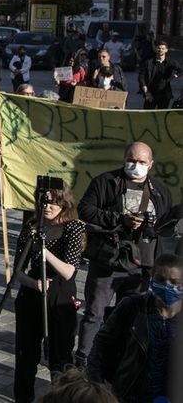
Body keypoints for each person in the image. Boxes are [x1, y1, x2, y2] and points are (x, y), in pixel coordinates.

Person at [75, 142, 174, 364]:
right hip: (108, 261)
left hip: (142, 266)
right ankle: (84, 360)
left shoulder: (159, 190)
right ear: (124, 159)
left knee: (130, 316)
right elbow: (85, 209)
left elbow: (166, 223)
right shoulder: (106, 182)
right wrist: (120, 220)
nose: (135, 165)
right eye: (131, 160)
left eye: (141, 162)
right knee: (94, 313)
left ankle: (118, 361)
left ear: (151, 164)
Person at [12, 182, 85, 403]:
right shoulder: (32, 226)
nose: (47, 206)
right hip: (32, 294)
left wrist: (44, 251)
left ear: (64, 203)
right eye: (44, 201)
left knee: (60, 356)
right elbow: (17, 271)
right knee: (26, 356)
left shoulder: (74, 227)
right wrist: (33, 284)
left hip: (60, 296)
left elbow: (68, 271)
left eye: (53, 201)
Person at [87, 252, 182, 402]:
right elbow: (101, 346)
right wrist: (97, 387)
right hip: (130, 396)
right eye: (161, 280)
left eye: (175, 282)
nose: (167, 286)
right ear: (151, 277)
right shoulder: (131, 307)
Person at [138, 41, 178, 109]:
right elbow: (141, 77)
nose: (160, 50)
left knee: (161, 115)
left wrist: (174, 76)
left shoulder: (170, 62)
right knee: (147, 115)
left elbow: (181, 70)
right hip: (151, 93)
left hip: (164, 94)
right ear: (156, 49)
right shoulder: (149, 62)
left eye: (163, 48)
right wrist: (146, 92)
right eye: (159, 48)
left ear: (166, 50)